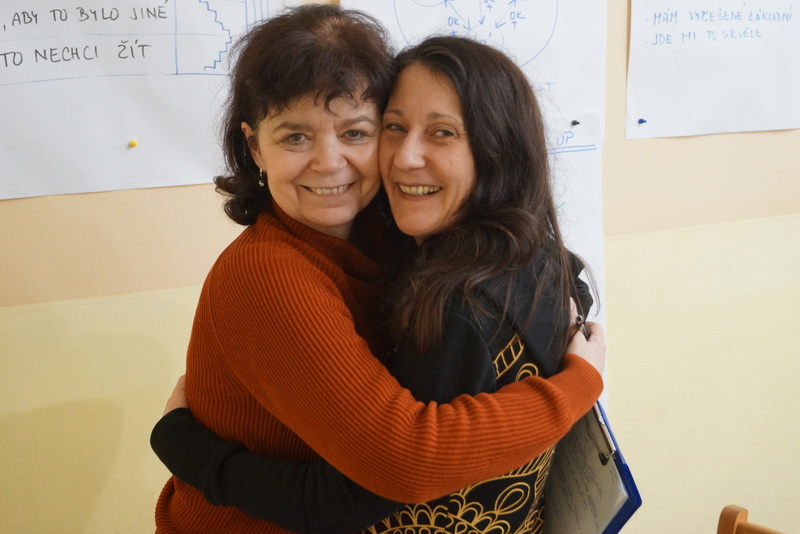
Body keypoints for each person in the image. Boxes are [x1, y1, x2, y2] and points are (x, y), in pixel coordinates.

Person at [152, 6, 604, 534]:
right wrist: (578, 385)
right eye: (295, 137)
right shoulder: (267, 275)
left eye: (356, 132)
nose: (329, 162)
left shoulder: (389, 232)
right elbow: (404, 461)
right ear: (254, 147)